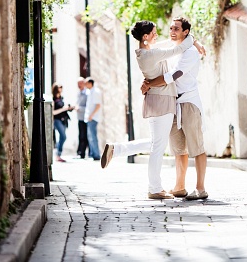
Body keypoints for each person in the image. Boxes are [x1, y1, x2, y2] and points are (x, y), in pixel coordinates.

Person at [100, 21, 203, 200]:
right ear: (145, 37)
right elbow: (177, 50)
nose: (158, 35)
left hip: (157, 100)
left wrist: (193, 41)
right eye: (154, 33)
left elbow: (171, 44)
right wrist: (192, 39)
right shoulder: (152, 54)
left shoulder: (146, 52)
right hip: (162, 100)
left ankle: (116, 150)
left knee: (157, 143)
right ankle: (154, 188)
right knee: (158, 147)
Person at [141, 17, 208, 200]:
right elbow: (150, 50)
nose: (172, 31)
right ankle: (179, 187)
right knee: (179, 149)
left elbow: (174, 75)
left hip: (189, 103)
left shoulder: (191, 53)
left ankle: (200, 188)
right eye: (171, 28)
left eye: (176, 29)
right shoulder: (171, 48)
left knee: (197, 147)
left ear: (185, 31)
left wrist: (150, 85)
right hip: (172, 103)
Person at [51, 83, 75, 163]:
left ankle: (58, 154)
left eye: (61, 88)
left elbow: (64, 109)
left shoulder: (61, 98)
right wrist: (63, 109)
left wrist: (69, 108)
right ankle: (58, 154)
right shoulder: (53, 99)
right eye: (59, 88)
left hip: (64, 120)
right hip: (57, 120)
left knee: (62, 137)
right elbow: (53, 112)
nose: (60, 89)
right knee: (63, 136)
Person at [84, 77, 102, 160]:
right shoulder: (90, 92)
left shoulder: (95, 92)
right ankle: (92, 154)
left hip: (93, 118)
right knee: (90, 136)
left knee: (93, 136)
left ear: (90, 83)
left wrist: (91, 115)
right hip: (89, 118)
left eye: (86, 83)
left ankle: (96, 154)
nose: (85, 85)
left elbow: (98, 105)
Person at [75, 79, 89, 159]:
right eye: (78, 83)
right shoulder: (79, 93)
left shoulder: (87, 94)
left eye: (80, 83)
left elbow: (88, 107)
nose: (79, 85)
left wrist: (79, 108)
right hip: (80, 118)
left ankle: (83, 153)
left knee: (84, 136)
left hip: (85, 117)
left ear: (83, 84)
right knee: (80, 135)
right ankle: (80, 152)